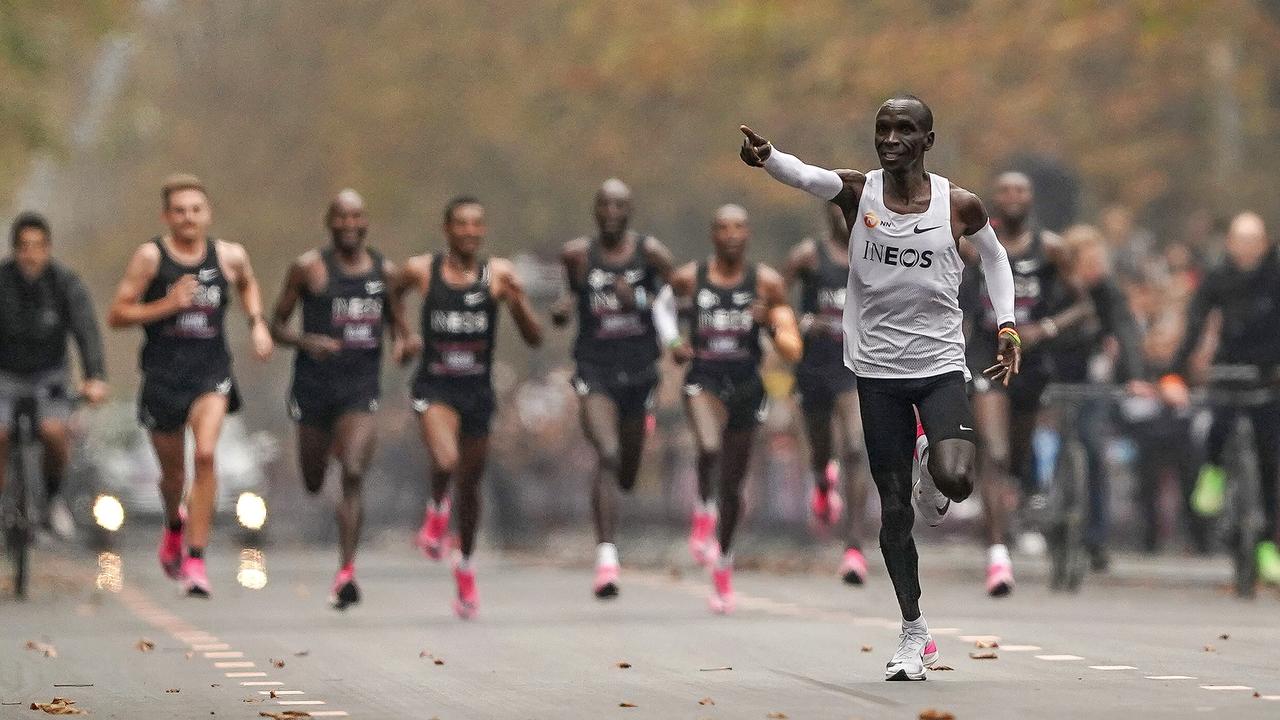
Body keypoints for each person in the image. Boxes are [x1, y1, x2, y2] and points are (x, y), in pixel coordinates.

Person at [739, 94, 1019, 681]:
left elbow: (995, 260)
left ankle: (930, 462)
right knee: (892, 510)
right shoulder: (857, 192)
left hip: (940, 362)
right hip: (876, 371)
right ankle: (914, 631)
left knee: (959, 479)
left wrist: (1007, 322)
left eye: (904, 131)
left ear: (927, 140)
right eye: (883, 129)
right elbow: (807, 176)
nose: (891, 140)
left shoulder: (958, 204)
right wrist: (768, 158)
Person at [107, 174, 273, 597]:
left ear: (207, 213)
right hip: (163, 377)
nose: (188, 218)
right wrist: (167, 304)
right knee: (172, 476)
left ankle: (196, 560)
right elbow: (117, 315)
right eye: (179, 211)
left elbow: (249, 283)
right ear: (166, 216)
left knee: (204, 456)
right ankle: (174, 525)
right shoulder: (150, 257)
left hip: (210, 374)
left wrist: (257, 325)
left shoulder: (229, 256)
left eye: (195, 210)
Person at [270, 189, 412, 609]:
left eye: (356, 218)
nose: (349, 226)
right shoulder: (308, 269)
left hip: (360, 388)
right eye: (341, 218)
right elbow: (275, 325)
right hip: (314, 389)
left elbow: (399, 329)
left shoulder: (386, 273)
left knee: (352, 471)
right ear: (329, 223)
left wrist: (406, 345)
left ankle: (346, 572)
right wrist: (303, 340)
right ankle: (323, 458)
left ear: (366, 223)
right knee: (315, 481)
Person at [402, 196, 542, 619]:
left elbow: (533, 338)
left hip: (477, 391)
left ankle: (465, 566)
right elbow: (390, 292)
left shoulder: (498, 275)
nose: (469, 231)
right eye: (461, 224)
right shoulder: (422, 270)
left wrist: (517, 303)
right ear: (447, 229)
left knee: (471, 484)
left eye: (476, 224)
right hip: (435, 386)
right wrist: (403, 332)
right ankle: (435, 512)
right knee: (446, 460)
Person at [959, 171, 1092, 596]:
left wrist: (1046, 328)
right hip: (987, 355)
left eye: (1022, 191)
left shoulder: (1051, 249)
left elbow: (1084, 306)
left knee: (1015, 458)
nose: (1013, 197)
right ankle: (998, 555)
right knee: (994, 453)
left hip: (1031, 361)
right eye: (1005, 191)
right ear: (994, 200)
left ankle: (1015, 500)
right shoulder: (975, 245)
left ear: (1031, 200)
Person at [550, 179, 683, 599]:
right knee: (606, 453)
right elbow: (568, 297)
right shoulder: (577, 255)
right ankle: (607, 556)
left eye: (619, 206)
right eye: (604, 205)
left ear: (630, 211)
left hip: (641, 371)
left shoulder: (651, 253)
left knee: (626, 471)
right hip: (595, 369)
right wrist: (562, 309)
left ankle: (628, 458)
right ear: (595, 211)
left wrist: (639, 302)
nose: (611, 213)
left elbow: (685, 295)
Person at [669, 204, 801, 613]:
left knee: (734, 483)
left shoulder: (766, 283)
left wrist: (770, 325)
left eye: (739, 228)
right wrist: (674, 342)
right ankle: (702, 512)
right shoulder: (690, 278)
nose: (731, 234)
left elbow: (792, 347)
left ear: (748, 235)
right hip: (703, 379)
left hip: (746, 384)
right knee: (709, 447)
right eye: (723, 227)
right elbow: (660, 306)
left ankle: (723, 564)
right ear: (712, 234)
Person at [1161, 212, 1280, 586]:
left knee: (1268, 462)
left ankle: (1266, 546)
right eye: (1239, 240)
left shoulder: (1275, 274)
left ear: (1264, 244)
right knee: (1218, 424)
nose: (1246, 249)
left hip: (1270, 370)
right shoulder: (1219, 276)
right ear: (1230, 243)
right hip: (1230, 366)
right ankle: (1213, 472)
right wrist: (1176, 369)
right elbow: (1197, 321)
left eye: (1253, 240)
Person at [0, 212, 109, 540]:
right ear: (14, 250)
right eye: (24, 247)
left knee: (55, 432)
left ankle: (51, 501)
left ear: (48, 249)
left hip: (49, 377)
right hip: (4, 375)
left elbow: (86, 329)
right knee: (0, 435)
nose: (31, 254)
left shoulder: (65, 283)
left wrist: (95, 376)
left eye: (37, 247)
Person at [782, 204, 873, 584]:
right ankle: (822, 480)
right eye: (837, 209)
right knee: (822, 449)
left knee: (855, 446)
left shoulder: (876, 253)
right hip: (815, 369)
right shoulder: (807, 255)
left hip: (856, 369)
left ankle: (854, 547)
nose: (844, 216)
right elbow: (775, 300)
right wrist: (801, 322)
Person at [1051, 224, 1148, 572]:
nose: (1097, 268)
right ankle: (1044, 509)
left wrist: (1135, 374)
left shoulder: (1106, 290)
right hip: (1053, 371)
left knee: (1093, 447)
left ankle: (1096, 537)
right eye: (1089, 262)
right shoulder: (1055, 286)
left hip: (1091, 377)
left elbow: (1125, 328)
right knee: (1048, 442)